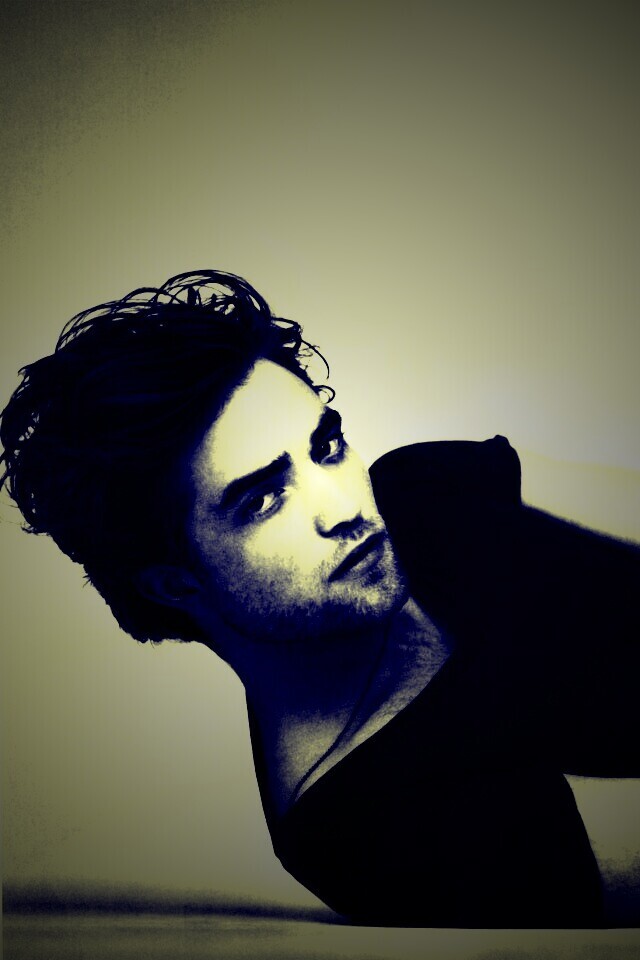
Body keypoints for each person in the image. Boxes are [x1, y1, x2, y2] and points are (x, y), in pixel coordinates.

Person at [1, 269, 638, 928]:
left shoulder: (419, 489)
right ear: (175, 583)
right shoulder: (371, 829)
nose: (344, 508)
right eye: (263, 499)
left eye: (326, 448)